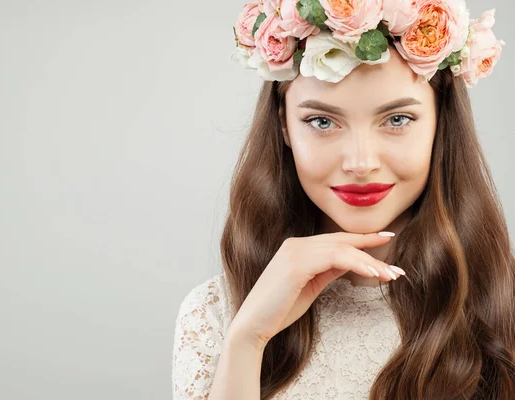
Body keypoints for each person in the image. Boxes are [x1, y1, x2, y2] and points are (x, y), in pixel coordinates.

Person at [172, 1, 515, 398]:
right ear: (284, 125)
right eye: (322, 122)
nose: (361, 163)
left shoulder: (503, 306)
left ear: (441, 122)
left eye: (397, 120)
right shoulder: (216, 315)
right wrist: (247, 340)